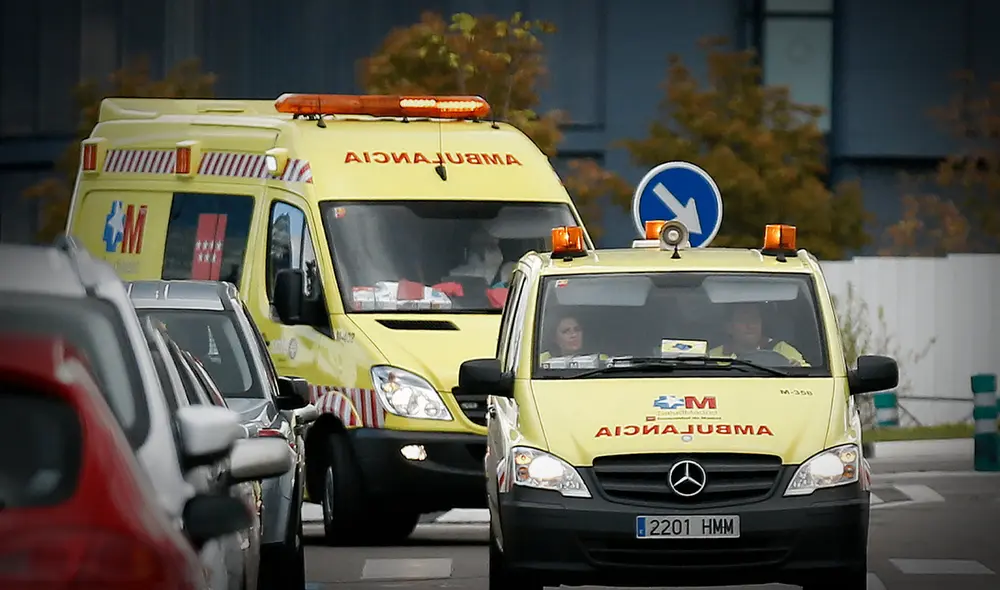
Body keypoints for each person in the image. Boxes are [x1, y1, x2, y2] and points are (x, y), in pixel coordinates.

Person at [709, 303, 809, 366]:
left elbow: (810, 375)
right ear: (729, 327)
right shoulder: (713, 357)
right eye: (743, 320)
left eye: (755, 319)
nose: (751, 325)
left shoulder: (781, 349)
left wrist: (798, 370)